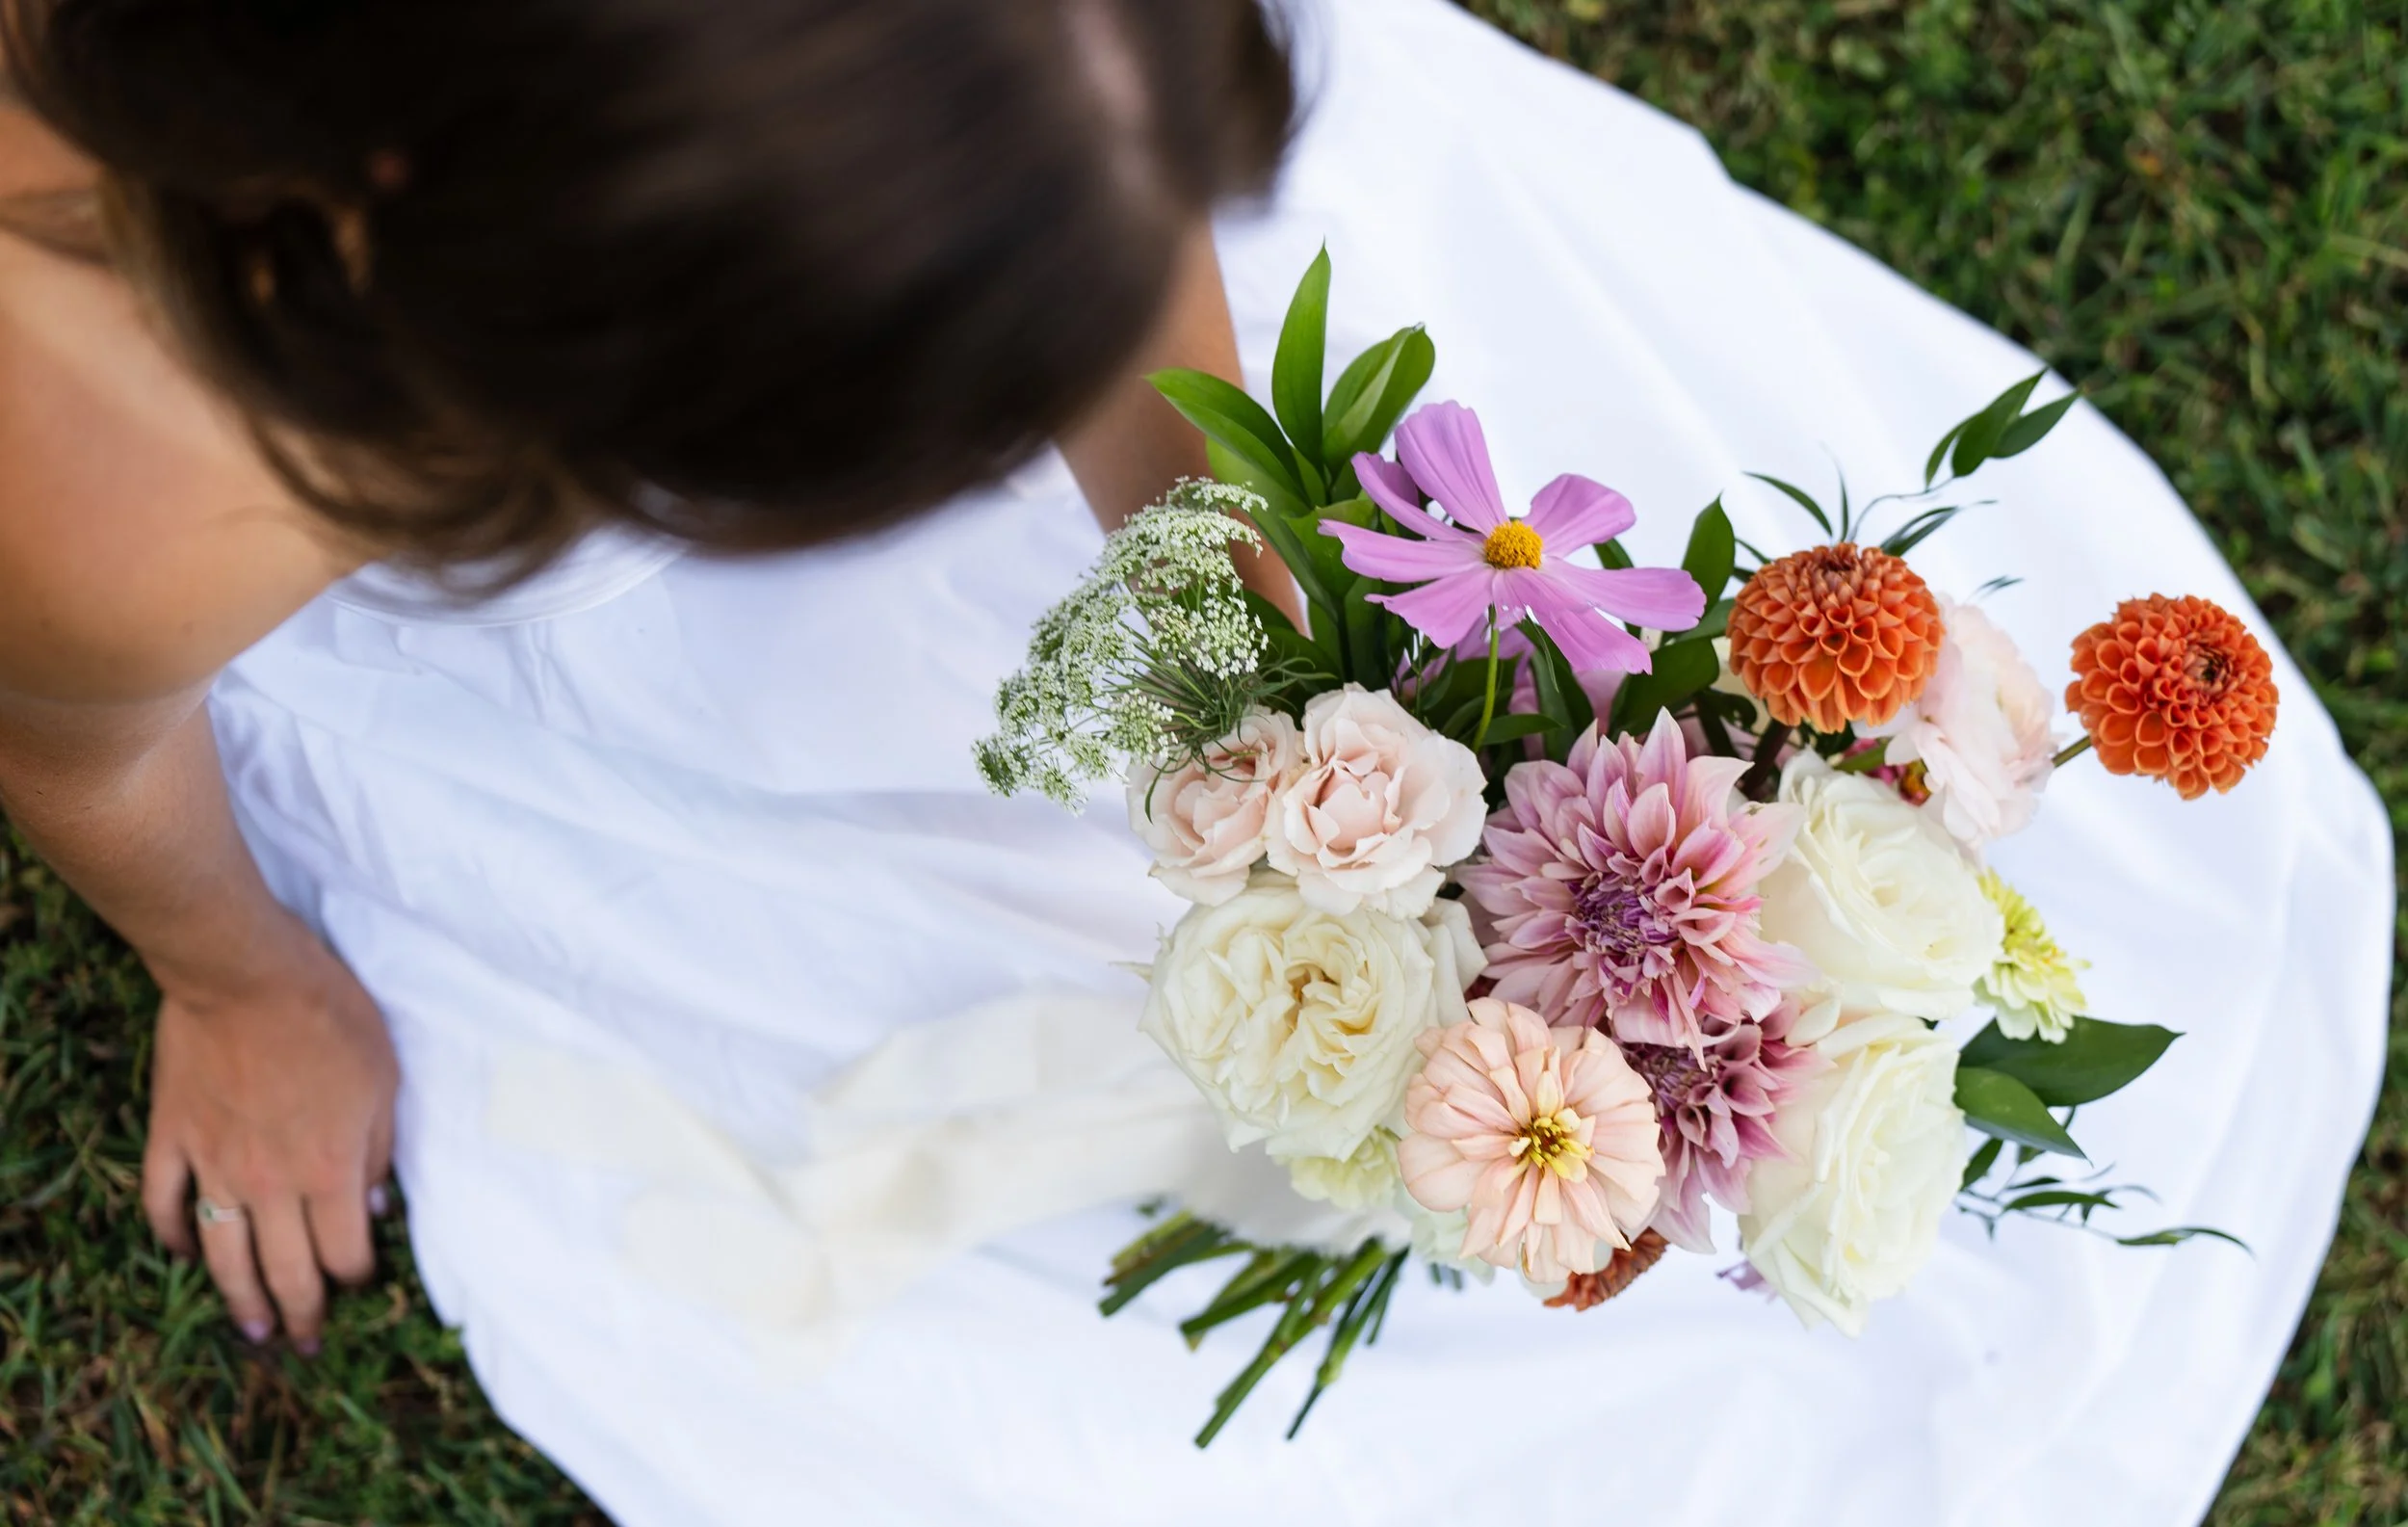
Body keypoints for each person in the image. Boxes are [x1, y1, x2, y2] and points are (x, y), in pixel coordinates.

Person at [0, 1, 2388, 1523]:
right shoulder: (113, 466)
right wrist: (247, 986)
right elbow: (85, 746)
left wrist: (1309, 665)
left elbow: (1134, 290)